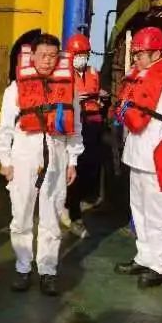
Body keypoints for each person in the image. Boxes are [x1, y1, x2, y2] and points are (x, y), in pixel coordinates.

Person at [0, 32, 83, 296]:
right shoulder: (15, 89)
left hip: (56, 160)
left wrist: (72, 161)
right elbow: (4, 129)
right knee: (21, 216)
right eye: (42, 55)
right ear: (32, 56)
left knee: (51, 218)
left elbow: (75, 129)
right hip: (23, 159)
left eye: (52, 56)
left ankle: (47, 271)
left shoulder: (69, 89)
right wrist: (5, 160)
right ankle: (23, 268)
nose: (47, 61)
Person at [114, 27, 162, 288]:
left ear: (157, 52)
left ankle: (160, 264)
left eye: (141, 54)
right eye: (134, 54)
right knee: (139, 211)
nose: (136, 58)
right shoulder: (136, 77)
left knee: (159, 215)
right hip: (136, 155)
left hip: (160, 160)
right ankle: (144, 256)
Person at [61, 33, 109, 238]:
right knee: (74, 172)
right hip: (75, 125)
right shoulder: (63, 75)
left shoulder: (93, 73)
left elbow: (100, 95)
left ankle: (74, 203)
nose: (82, 58)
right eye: (78, 54)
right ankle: (73, 214)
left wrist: (101, 98)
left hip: (93, 125)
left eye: (85, 54)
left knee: (91, 168)